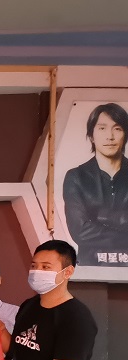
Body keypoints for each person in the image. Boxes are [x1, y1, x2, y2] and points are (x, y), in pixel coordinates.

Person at [63, 103, 128, 266]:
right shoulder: (76, 177)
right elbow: (80, 232)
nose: (110, 136)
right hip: (92, 267)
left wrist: (103, 216)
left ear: (125, 134)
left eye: (117, 129)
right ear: (91, 135)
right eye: (102, 128)